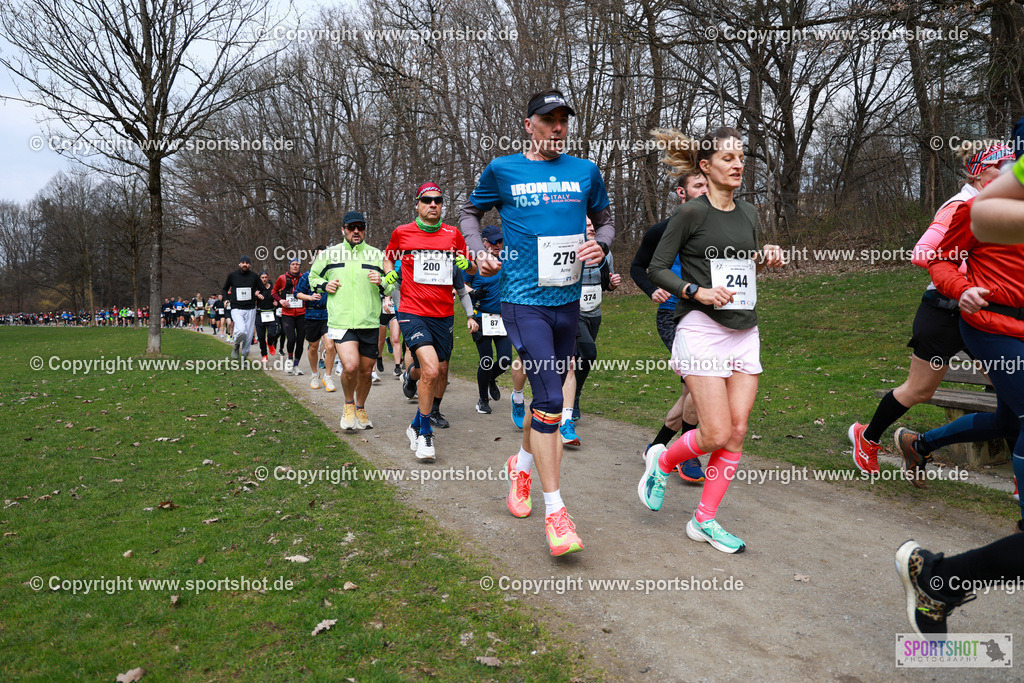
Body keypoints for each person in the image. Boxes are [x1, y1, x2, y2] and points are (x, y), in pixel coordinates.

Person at [460, 88, 614, 556]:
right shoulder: (504, 169)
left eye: (563, 118)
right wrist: (478, 250)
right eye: (548, 119)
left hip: (566, 303)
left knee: (546, 401)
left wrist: (602, 245)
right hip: (522, 301)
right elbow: (470, 211)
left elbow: (606, 222)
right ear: (529, 125)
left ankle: (521, 465)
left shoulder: (585, 171)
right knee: (550, 396)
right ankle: (557, 513)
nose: (557, 126)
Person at [641, 126, 784, 554]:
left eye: (741, 157)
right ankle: (661, 461)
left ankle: (704, 520)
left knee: (736, 432)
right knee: (715, 431)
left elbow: (743, 264)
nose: (738, 164)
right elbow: (656, 268)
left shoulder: (751, 213)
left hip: (744, 331)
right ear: (706, 166)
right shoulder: (691, 214)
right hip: (701, 329)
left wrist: (767, 256)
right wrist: (695, 291)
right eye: (728, 158)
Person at [847, 143, 1014, 477]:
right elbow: (923, 252)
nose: (1011, 173)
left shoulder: (1002, 208)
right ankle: (867, 437)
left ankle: (1014, 477)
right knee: (919, 390)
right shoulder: (960, 205)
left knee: (1012, 395)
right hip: (944, 311)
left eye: (1014, 166)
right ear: (978, 173)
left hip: (983, 316)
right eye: (1003, 166)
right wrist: (967, 275)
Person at [386, 183, 477, 461]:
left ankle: (414, 426)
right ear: (418, 204)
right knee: (431, 368)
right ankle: (426, 435)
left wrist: (467, 266)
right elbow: (388, 258)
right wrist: (390, 275)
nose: (433, 204)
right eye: (427, 200)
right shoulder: (402, 232)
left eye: (437, 200)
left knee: (434, 372)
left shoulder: (453, 234)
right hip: (412, 311)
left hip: (443, 314)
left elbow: (471, 267)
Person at [630, 164, 708, 482]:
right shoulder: (661, 230)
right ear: (682, 192)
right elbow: (638, 266)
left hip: (707, 317)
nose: (705, 189)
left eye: (708, 185)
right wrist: (652, 288)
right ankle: (686, 457)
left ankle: (658, 447)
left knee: (695, 388)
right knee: (698, 385)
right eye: (698, 185)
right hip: (673, 315)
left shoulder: (715, 229)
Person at [312, 212, 395, 430]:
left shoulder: (377, 255)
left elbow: (391, 285)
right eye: (351, 227)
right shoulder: (330, 254)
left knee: (366, 372)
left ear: (365, 229)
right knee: (350, 366)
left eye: (360, 227)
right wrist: (323, 286)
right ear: (343, 229)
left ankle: (360, 407)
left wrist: (383, 282)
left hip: (368, 321)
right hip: (341, 321)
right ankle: (348, 405)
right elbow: (312, 277)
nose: (356, 231)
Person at [561, 216, 621, 445]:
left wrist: (613, 283)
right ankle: (570, 401)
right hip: (574, 312)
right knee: (588, 353)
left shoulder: (605, 253)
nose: (591, 229)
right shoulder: (571, 251)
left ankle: (572, 397)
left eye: (593, 226)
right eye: (585, 226)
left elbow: (607, 284)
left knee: (583, 359)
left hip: (594, 313)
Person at [466, 225, 513, 414]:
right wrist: (474, 292)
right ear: (484, 242)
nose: (498, 245)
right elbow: (459, 285)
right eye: (493, 241)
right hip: (481, 318)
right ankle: (482, 400)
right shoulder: (475, 262)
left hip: (502, 319)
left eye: (500, 241)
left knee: (505, 360)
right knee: (486, 359)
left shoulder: (506, 260)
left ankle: (491, 378)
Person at [296, 247, 332, 391]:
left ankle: (328, 377)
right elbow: (297, 293)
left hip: (328, 315)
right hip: (311, 315)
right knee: (313, 347)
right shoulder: (307, 275)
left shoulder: (331, 275)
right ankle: (314, 375)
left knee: (330, 346)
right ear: (313, 259)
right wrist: (309, 297)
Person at [971, 152, 1024, 244]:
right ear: (977, 172)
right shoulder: (961, 204)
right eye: (1000, 165)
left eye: (1012, 164)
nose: (1007, 170)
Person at [222, 255, 261, 361]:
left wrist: (260, 294)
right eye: (243, 262)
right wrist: (225, 299)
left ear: (250, 265)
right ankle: (236, 344)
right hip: (236, 308)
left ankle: (244, 356)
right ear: (239, 264)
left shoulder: (254, 276)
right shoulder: (232, 275)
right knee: (242, 330)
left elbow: (263, 289)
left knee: (248, 337)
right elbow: (225, 289)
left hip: (251, 308)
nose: (245, 264)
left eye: (247, 263)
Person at [273, 260, 306, 375]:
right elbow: (274, 292)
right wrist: (281, 300)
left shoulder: (304, 277)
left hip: (302, 313)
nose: (295, 266)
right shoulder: (282, 278)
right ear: (289, 266)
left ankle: (296, 365)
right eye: (293, 264)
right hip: (287, 314)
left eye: (297, 264)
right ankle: (290, 359)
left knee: (301, 341)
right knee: (291, 338)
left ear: (300, 266)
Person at [254, 272, 280, 363]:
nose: (264, 279)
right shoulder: (256, 289)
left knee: (272, 334)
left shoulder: (273, 288)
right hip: (260, 314)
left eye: (265, 277)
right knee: (261, 337)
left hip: (271, 313)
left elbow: (279, 298)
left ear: (268, 278)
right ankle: (264, 355)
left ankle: (270, 343)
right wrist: (256, 295)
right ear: (259, 278)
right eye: (262, 277)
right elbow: (251, 301)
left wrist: (277, 303)